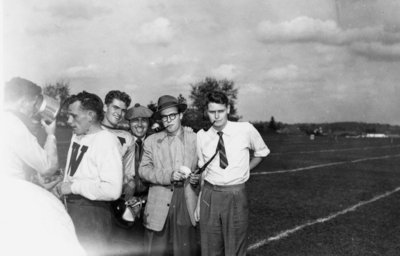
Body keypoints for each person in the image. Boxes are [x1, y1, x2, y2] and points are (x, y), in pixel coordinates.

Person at [195, 91, 270, 256]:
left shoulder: (245, 129)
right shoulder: (202, 136)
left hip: (235, 194)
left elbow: (261, 152)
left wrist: (245, 169)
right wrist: (200, 200)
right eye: (212, 111)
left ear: (228, 109)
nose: (216, 116)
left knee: (235, 249)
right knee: (209, 249)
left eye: (220, 111)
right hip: (209, 195)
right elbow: (203, 170)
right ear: (206, 112)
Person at [56, 91, 123, 256]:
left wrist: (73, 187)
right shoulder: (77, 135)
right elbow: (75, 174)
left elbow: (113, 190)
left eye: (74, 116)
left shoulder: (107, 141)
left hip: (93, 215)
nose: (70, 121)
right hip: (71, 210)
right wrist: (60, 184)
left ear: (91, 115)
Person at [139, 95, 200, 256]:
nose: (168, 120)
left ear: (180, 115)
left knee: (185, 250)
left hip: (186, 201)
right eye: (164, 117)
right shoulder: (151, 141)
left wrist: (197, 178)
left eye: (172, 115)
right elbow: (143, 170)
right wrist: (169, 175)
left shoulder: (196, 138)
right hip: (159, 200)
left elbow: (204, 170)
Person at [2, 77, 59, 181]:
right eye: (34, 105)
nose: (34, 111)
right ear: (23, 102)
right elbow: (48, 167)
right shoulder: (14, 124)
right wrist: (51, 135)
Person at [101, 90, 136, 197]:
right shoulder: (91, 131)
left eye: (123, 110)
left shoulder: (127, 137)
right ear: (105, 107)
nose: (119, 113)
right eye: (115, 108)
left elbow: (129, 175)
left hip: (115, 196)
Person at [124, 103, 154, 198]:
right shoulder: (122, 142)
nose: (140, 125)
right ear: (129, 123)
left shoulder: (155, 142)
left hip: (149, 198)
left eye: (144, 120)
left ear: (149, 123)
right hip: (124, 197)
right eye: (135, 120)